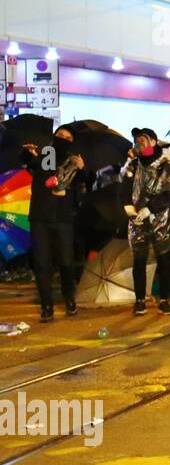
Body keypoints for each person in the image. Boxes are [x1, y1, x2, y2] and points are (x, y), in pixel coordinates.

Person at [21, 128, 86, 322]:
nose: (64, 139)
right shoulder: (45, 155)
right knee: (42, 264)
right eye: (61, 135)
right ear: (54, 136)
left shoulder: (74, 162)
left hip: (64, 219)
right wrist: (27, 152)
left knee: (67, 262)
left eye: (68, 138)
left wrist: (81, 168)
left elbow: (85, 183)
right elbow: (32, 164)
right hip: (40, 218)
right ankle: (46, 305)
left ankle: (69, 298)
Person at [120, 127, 170, 315]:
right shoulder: (132, 164)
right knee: (138, 260)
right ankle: (140, 300)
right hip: (138, 219)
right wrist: (127, 206)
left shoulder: (168, 164)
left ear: (154, 142)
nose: (139, 144)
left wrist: (151, 208)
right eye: (137, 140)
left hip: (162, 219)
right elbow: (123, 184)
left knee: (163, 259)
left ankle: (164, 300)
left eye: (143, 140)